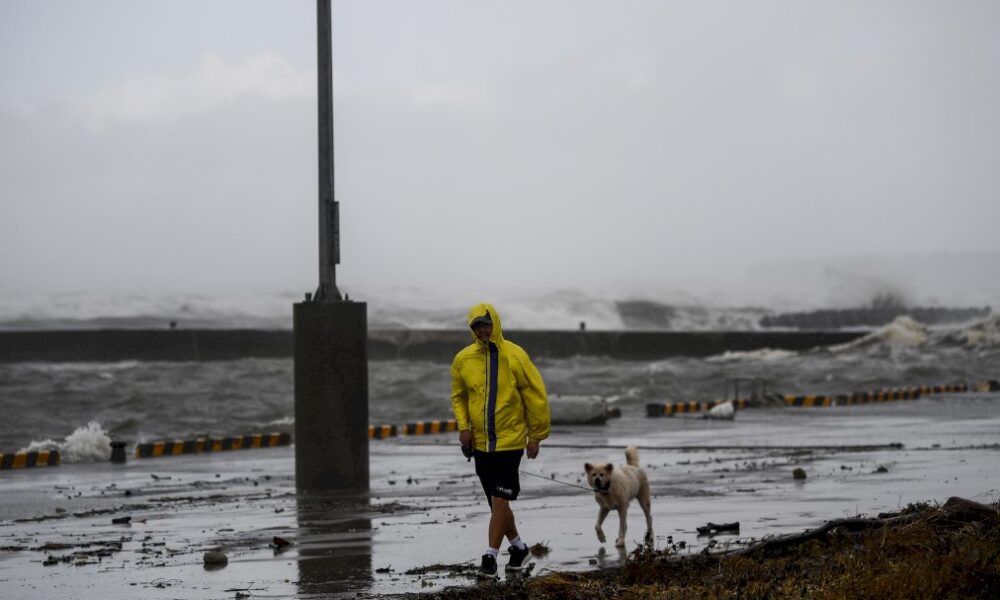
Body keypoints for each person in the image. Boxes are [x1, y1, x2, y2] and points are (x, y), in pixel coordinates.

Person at [450, 303, 550, 578]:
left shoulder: (515, 355)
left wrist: (536, 437)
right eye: (477, 326)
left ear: (495, 323)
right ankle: (518, 548)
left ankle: (490, 558)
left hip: (510, 442)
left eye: (486, 324)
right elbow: (459, 396)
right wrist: (463, 428)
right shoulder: (463, 359)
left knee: (500, 501)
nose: (483, 330)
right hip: (481, 445)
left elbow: (535, 396)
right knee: (497, 505)